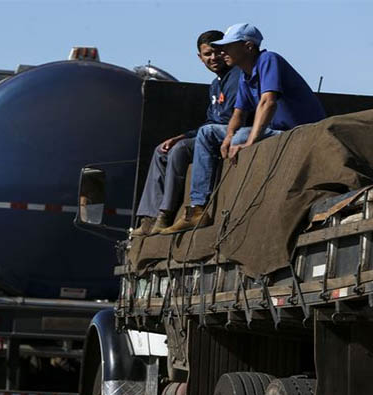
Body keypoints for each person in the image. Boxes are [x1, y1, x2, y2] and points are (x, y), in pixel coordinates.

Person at [165, 23, 326, 233]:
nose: (222, 52)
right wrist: (227, 137)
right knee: (208, 132)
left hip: (298, 132)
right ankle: (198, 208)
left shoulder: (269, 60)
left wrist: (249, 141)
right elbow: (238, 113)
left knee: (241, 138)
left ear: (248, 47)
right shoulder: (244, 75)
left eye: (228, 46)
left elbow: (268, 102)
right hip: (273, 131)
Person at [132, 30, 242, 236]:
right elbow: (211, 121)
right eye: (207, 54)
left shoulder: (237, 77)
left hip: (229, 134)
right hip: (209, 134)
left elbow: (232, 119)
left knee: (180, 151)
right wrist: (181, 136)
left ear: (226, 51)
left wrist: (185, 141)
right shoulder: (215, 85)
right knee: (162, 150)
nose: (213, 58)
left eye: (217, 52)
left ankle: (166, 213)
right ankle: (149, 216)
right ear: (200, 58)